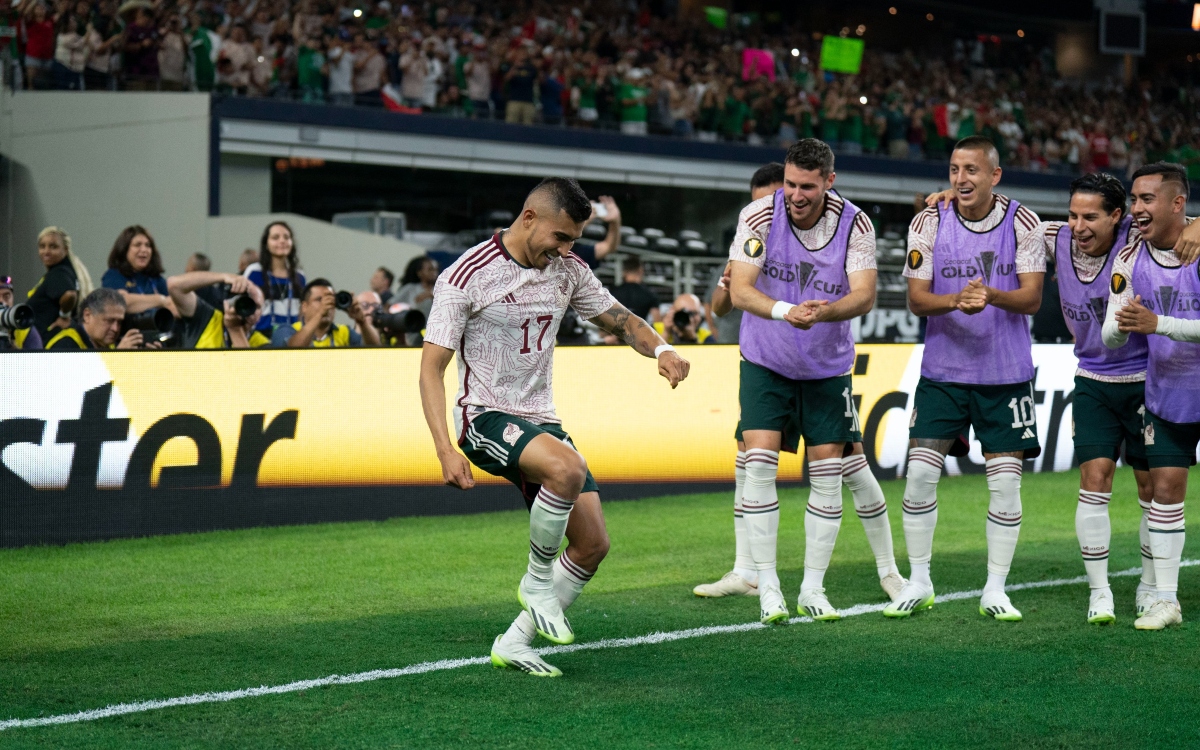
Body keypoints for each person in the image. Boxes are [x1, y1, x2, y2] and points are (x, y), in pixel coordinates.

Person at [419, 177, 689, 677]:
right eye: (560, 237)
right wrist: (443, 449)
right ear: (529, 218)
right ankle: (537, 581)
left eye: (574, 240)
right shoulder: (466, 275)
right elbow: (430, 368)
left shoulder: (567, 270)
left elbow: (622, 320)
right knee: (568, 469)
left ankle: (515, 642)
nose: (566, 249)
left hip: (541, 419)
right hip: (484, 416)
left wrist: (664, 349)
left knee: (592, 546)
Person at [926, 173, 1200, 624]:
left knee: (1153, 489)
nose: (1079, 225)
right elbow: (1005, 217)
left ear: (1116, 217)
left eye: (1091, 216)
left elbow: (1174, 217)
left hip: (1145, 378)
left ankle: (1153, 590)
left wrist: (1196, 224)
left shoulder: (1134, 235)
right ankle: (1100, 594)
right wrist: (955, 196)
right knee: (1094, 479)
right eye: (1073, 214)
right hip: (1092, 377)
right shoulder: (1051, 237)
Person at [724, 139, 897, 624]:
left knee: (829, 477)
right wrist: (786, 311)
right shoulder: (759, 215)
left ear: (829, 182)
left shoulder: (855, 222)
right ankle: (768, 588)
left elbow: (864, 295)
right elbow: (739, 289)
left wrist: (823, 312)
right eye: (791, 184)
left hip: (826, 367)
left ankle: (813, 589)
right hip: (765, 360)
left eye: (808, 186)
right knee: (757, 465)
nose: (797, 195)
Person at [887, 136, 1045, 622]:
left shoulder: (1025, 223)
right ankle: (919, 580)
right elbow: (916, 298)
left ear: (994, 176)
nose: (962, 179)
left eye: (972, 170)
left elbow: (1033, 298)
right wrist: (957, 300)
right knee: (917, 476)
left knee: (1004, 487)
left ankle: (995, 589)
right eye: (955, 169)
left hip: (1004, 374)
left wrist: (991, 296)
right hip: (944, 373)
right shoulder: (927, 221)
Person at [1103, 163, 1200, 630]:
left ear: (1177, 204)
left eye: (1147, 200)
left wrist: (1157, 323)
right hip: (1167, 396)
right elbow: (1112, 335)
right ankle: (1166, 601)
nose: (1137, 209)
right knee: (1164, 493)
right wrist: (1121, 325)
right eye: (1135, 200)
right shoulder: (1129, 257)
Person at [707, 163, 784, 347]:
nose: (763, 213)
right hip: (743, 348)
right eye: (757, 205)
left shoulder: (808, 242)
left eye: (770, 204)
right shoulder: (748, 242)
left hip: (791, 350)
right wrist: (729, 287)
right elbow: (718, 307)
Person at [168, 270, 267, 349]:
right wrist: (223, 277)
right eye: (245, 302)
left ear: (261, 313)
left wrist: (235, 329)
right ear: (229, 302)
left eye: (257, 306)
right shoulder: (208, 318)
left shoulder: (262, 343)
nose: (250, 309)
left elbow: (247, 372)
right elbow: (174, 285)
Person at [272, 278, 381, 348]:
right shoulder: (287, 330)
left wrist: (362, 322)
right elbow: (291, 352)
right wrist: (319, 314)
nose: (327, 305)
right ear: (304, 306)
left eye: (330, 300)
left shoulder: (344, 333)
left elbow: (374, 350)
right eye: (319, 300)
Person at [27, 226, 92, 340]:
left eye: (53, 247)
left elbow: (70, 295)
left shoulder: (59, 272)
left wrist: (64, 316)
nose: (46, 251)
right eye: (42, 246)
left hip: (49, 345)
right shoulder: (68, 270)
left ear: (65, 249)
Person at [245, 221, 306, 335]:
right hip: (260, 338)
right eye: (275, 237)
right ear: (266, 244)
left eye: (286, 237)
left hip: (291, 339)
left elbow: (302, 312)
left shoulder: (299, 275)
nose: (282, 241)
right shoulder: (254, 271)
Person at [101, 226, 172, 315]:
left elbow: (173, 305)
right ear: (124, 249)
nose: (143, 250)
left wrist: (136, 301)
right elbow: (120, 303)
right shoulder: (113, 275)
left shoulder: (156, 279)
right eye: (137, 245)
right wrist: (160, 300)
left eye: (148, 245)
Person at [45, 288, 148, 350]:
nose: (115, 329)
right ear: (87, 315)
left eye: (119, 322)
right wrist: (118, 357)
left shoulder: (109, 345)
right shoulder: (65, 345)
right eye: (109, 321)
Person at [571, 195, 622, 270]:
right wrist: (583, 221)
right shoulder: (552, 248)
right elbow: (563, 237)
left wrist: (615, 222)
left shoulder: (575, 253)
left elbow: (609, 247)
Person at [609, 256, 659, 323]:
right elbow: (657, 321)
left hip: (616, 332)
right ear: (640, 270)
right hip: (640, 332)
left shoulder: (613, 292)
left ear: (624, 272)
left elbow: (605, 321)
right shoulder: (649, 294)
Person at [0, 277, 42, 349]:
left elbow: (37, 359)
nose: (2, 302)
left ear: (13, 298)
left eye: (6, 296)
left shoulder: (24, 328)